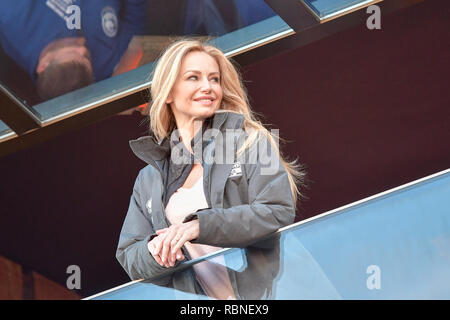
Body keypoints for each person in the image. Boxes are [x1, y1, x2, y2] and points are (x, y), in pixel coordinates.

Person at [116, 39, 305, 299]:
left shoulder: (253, 140)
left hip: (275, 294)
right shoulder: (149, 178)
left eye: (214, 79)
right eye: (193, 77)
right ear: (168, 92)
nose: (207, 87)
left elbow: (277, 210)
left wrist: (198, 226)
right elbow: (128, 254)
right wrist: (156, 249)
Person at [0, 0, 146, 101]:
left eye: (74, 51)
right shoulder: (102, 67)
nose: (82, 47)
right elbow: (134, 20)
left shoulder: (12, 18)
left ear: (44, 64)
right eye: (87, 57)